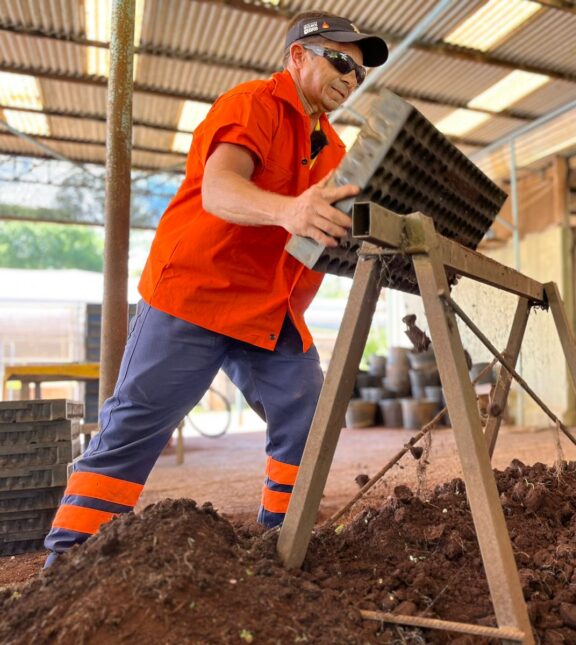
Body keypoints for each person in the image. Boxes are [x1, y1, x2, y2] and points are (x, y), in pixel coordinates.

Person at [43, 11, 389, 565]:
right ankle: (67, 565)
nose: (351, 78)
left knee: (310, 414)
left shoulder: (334, 153)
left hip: (268, 309)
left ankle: (284, 546)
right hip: (196, 295)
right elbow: (219, 190)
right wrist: (288, 210)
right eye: (342, 61)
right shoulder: (253, 104)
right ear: (297, 56)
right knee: (134, 427)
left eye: (361, 74)